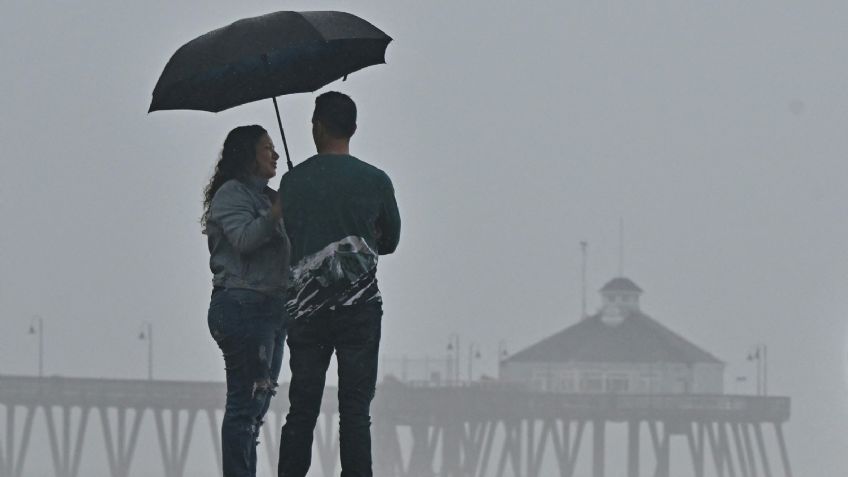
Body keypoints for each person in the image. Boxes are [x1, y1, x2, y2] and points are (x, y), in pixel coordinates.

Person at [277, 92, 401, 477]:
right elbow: (391, 241)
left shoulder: (293, 181)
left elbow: (285, 237)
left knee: (302, 408)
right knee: (355, 410)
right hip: (360, 310)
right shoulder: (376, 180)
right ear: (354, 129)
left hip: (307, 311)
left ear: (317, 126)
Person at [203, 125, 290, 477]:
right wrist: (276, 213)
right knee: (244, 405)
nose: (276, 155)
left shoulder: (270, 198)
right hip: (241, 305)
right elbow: (242, 239)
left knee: (257, 406)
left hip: (271, 310)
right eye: (268, 148)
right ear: (248, 155)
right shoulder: (231, 195)